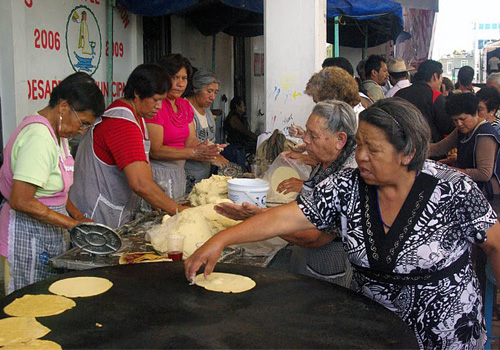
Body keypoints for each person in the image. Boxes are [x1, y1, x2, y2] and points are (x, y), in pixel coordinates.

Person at [186, 97, 500, 349]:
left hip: (445, 334)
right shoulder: (348, 186)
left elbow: (496, 246)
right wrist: (222, 239)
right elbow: (288, 216)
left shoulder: (452, 189)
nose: (360, 156)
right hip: (373, 332)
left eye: (373, 149)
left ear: (408, 153)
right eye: (359, 144)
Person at [216, 100, 357, 286]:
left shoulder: (348, 176)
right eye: (306, 132)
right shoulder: (327, 161)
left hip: (328, 266)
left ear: (340, 140)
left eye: (313, 136)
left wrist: (257, 215)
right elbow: (304, 209)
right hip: (306, 260)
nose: (305, 139)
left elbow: (312, 237)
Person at [0, 72, 105, 293]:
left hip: (47, 236)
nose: (81, 131)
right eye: (83, 123)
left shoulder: (58, 135)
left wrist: (78, 216)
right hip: (27, 239)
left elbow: (56, 194)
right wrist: (71, 225)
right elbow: (21, 200)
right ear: (64, 107)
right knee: (27, 305)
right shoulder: (38, 138)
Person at [70, 64, 189, 228]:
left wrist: (161, 202)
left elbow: (145, 174)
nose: (159, 106)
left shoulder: (136, 116)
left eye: (162, 100)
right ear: (137, 93)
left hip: (114, 209)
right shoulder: (121, 123)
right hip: (96, 212)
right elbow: (141, 184)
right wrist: (180, 211)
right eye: (155, 100)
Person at [146, 54, 223, 201]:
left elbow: (191, 141)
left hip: (179, 173)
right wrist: (194, 153)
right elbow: (155, 150)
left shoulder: (184, 105)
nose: (180, 84)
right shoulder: (156, 105)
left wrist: (209, 150)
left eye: (184, 78)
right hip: (157, 174)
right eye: (174, 77)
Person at [429, 93, 500, 204]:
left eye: (463, 119)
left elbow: (484, 174)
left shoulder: (484, 135)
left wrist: (448, 171)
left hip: (487, 194)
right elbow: (439, 148)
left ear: (476, 113)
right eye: (455, 120)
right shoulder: (462, 130)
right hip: (470, 188)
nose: (459, 124)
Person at [184, 68, 228, 193]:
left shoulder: (207, 112)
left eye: (215, 92)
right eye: (209, 91)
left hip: (204, 173)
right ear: (196, 89)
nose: (213, 97)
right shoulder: (185, 108)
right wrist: (216, 158)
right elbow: (190, 145)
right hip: (188, 174)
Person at [395, 59, 454, 143]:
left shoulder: (399, 94)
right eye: (441, 77)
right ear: (435, 76)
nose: (441, 81)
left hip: (403, 146)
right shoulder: (435, 96)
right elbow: (447, 127)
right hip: (430, 150)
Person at [222, 96, 258, 171]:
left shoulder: (240, 117)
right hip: (237, 145)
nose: (244, 107)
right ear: (237, 106)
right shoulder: (233, 117)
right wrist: (258, 138)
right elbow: (244, 131)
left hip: (241, 143)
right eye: (242, 105)